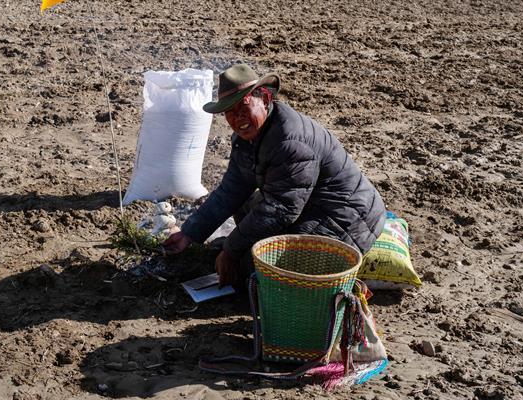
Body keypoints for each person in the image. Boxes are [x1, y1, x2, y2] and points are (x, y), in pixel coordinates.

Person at [163, 64, 386, 288]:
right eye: (229, 112)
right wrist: (190, 233)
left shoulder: (291, 142)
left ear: (266, 99)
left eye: (244, 106)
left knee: (257, 272)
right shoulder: (248, 137)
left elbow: (282, 209)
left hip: (347, 217)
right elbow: (231, 190)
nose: (237, 117)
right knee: (244, 207)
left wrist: (231, 251)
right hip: (309, 205)